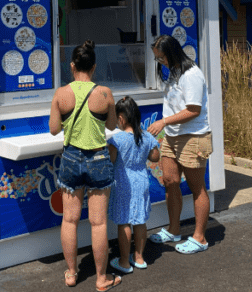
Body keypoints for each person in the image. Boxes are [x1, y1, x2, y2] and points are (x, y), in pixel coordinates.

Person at [49, 40, 121, 291]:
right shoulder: (105, 93)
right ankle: (101, 279)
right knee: (98, 223)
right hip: (99, 158)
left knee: (69, 220)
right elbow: (112, 125)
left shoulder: (61, 94)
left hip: (70, 158)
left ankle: (71, 273)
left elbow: (54, 129)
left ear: (72, 66)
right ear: (94, 67)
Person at [146, 34, 212, 254]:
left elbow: (194, 110)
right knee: (170, 181)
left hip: (193, 136)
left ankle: (199, 237)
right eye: (157, 58)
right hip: (173, 136)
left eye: (161, 57)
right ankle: (174, 229)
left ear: (173, 52)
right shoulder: (174, 72)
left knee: (196, 187)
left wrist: (163, 122)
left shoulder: (191, 74)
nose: (160, 61)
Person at [107, 96, 160, 274]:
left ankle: (123, 261)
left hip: (123, 182)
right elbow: (155, 157)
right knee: (140, 221)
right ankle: (139, 257)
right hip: (142, 182)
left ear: (121, 119)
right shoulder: (146, 137)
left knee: (124, 221)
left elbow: (111, 161)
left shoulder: (117, 140)